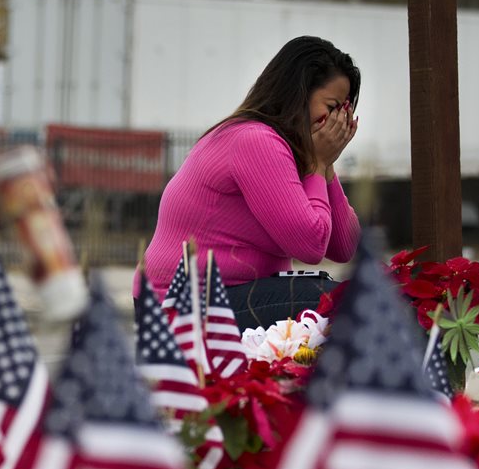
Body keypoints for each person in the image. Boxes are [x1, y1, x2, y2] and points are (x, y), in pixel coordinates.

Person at [138, 35, 362, 331]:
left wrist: (326, 165)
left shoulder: (293, 152)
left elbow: (344, 247)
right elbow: (310, 246)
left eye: (345, 111)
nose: (338, 121)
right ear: (298, 94)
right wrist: (319, 165)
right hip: (183, 307)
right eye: (332, 107)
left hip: (228, 296)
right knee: (337, 301)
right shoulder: (255, 141)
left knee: (352, 296)